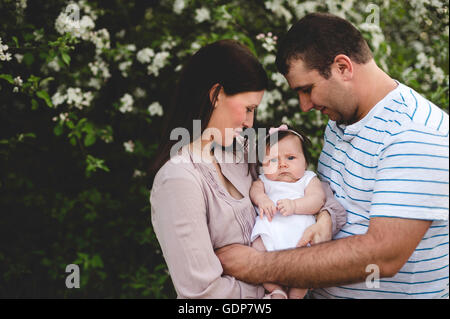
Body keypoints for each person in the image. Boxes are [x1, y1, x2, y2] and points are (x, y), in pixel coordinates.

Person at [216, 13, 449, 299]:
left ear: (342, 67)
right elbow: (332, 198)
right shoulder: (340, 122)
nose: (304, 106)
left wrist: (260, 265)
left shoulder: (414, 132)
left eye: (307, 90)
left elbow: (384, 255)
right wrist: (326, 217)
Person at [149, 39, 347, 298]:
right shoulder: (178, 180)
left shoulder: (240, 150)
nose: (250, 122)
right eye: (248, 109)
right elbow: (202, 293)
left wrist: (324, 220)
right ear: (216, 95)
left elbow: (307, 185)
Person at [250, 124, 326, 299]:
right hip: (270, 230)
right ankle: (275, 289)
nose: (283, 164)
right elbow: (255, 190)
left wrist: (294, 206)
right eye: (273, 161)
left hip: (300, 236)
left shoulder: (308, 179)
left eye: (291, 158)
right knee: (256, 252)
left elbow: (317, 199)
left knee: (308, 266)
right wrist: (262, 199)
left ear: (305, 162)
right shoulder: (264, 180)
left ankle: (296, 295)